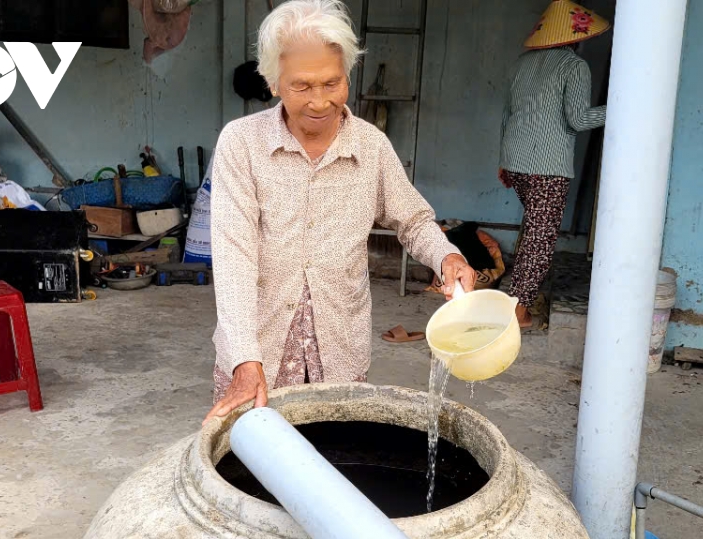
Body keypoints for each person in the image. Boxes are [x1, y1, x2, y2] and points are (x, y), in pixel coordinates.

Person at [205, 0, 476, 422]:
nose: (319, 101)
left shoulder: (370, 146)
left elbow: (413, 220)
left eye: (332, 83)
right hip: (257, 349)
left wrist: (447, 256)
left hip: (340, 347)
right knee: (251, 464)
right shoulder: (242, 144)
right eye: (302, 86)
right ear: (273, 82)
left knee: (337, 456)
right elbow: (233, 253)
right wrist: (243, 356)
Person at [499, 0, 611, 328]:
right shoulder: (574, 66)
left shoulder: (520, 64)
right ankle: (518, 311)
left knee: (533, 230)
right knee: (541, 238)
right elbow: (578, 120)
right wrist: (619, 107)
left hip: (515, 159)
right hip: (547, 166)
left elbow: (507, 115)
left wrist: (502, 160)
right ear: (576, 36)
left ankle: (517, 297)